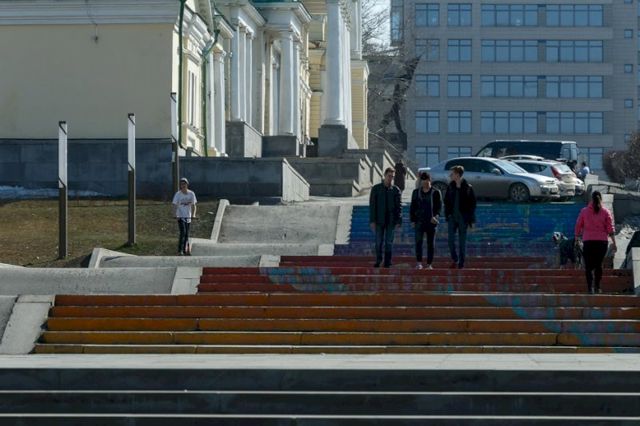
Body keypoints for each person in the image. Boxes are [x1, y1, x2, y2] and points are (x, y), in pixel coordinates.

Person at [575, 191, 617, 293]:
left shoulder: (584, 211)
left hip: (588, 242)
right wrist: (614, 243)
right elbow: (610, 228)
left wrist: (576, 237)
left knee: (588, 266)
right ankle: (597, 287)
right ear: (600, 199)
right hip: (602, 242)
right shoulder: (605, 212)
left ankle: (590, 288)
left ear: (591, 199)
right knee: (598, 265)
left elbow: (578, 225)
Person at [444, 165, 476, 269]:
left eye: (452, 174)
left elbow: (472, 205)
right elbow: (446, 201)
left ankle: (461, 263)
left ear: (457, 175)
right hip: (452, 218)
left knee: (462, 243)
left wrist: (471, 220)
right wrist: (448, 215)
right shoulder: (450, 187)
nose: (450, 175)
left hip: (463, 218)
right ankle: (455, 258)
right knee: (450, 241)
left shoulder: (468, 188)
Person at [370, 167, 402, 268]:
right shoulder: (376, 189)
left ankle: (387, 262)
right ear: (384, 175)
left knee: (389, 242)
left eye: (392, 177)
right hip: (379, 220)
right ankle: (378, 260)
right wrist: (372, 220)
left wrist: (399, 221)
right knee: (378, 242)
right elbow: (372, 205)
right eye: (389, 176)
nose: (390, 178)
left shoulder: (396, 190)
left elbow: (399, 207)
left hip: (391, 221)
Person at [410, 172, 442, 270]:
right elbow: (412, 207)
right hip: (419, 221)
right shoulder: (416, 192)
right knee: (418, 242)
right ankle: (419, 263)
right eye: (423, 181)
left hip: (431, 222)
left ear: (430, 180)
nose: (424, 183)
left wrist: (436, 217)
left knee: (430, 244)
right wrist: (412, 220)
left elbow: (439, 208)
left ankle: (429, 264)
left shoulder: (436, 192)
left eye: (426, 181)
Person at [172, 177, 197, 255]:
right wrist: (174, 214)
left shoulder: (191, 193)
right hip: (180, 216)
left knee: (187, 234)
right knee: (183, 232)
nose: (183, 185)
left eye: (184, 184)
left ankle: (185, 250)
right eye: (181, 184)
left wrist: (193, 214)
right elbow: (174, 205)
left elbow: (194, 205)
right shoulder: (178, 194)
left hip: (188, 216)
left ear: (187, 185)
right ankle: (180, 250)